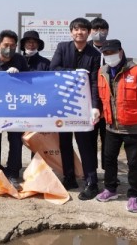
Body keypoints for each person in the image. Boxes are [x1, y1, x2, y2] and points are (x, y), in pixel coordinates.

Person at [95, 39, 137, 213]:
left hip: (134, 127)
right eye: (105, 54)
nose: (109, 56)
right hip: (111, 127)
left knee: (134, 163)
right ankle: (110, 189)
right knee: (108, 159)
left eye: (112, 53)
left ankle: (134, 195)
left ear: (121, 52)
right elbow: (101, 97)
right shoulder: (102, 72)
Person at [49, 17, 101, 200]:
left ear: (89, 32)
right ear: (71, 32)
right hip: (64, 105)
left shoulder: (94, 54)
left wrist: (95, 106)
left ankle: (91, 181)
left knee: (85, 144)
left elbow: (95, 81)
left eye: (83, 29)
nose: (79, 32)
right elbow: (53, 68)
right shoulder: (63, 47)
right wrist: (74, 73)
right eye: (76, 29)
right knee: (65, 143)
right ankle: (69, 177)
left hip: (83, 106)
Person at [0, 30, 29, 190]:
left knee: (16, 142)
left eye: (12, 45)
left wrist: (19, 76)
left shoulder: (20, 60)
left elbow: (29, 83)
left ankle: (13, 173)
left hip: (15, 109)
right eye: (5, 45)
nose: (9, 48)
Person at [88, 17, 109, 170]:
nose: (99, 33)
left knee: (108, 138)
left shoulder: (113, 47)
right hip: (90, 99)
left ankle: (108, 170)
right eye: (95, 29)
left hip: (108, 100)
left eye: (102, 29)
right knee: (90, 138)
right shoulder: (86, 49)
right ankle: (91, 170)